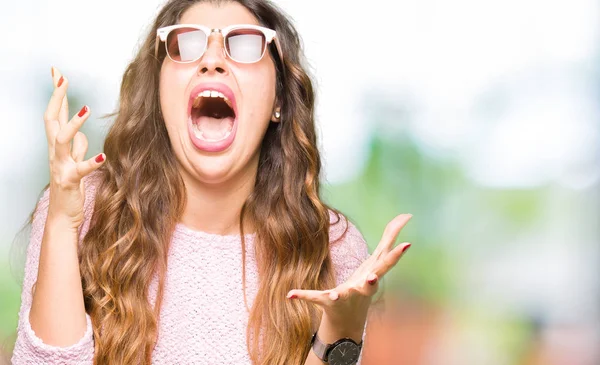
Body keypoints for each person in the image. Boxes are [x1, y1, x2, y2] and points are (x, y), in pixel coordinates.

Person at [11, 0, 412, 364]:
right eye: (186, 44)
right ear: (159, 93)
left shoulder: (329, 248)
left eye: (244, 43)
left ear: (278, 102)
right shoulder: (83, 208)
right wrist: (63, 224)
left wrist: (339, 331)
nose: (212, 60)